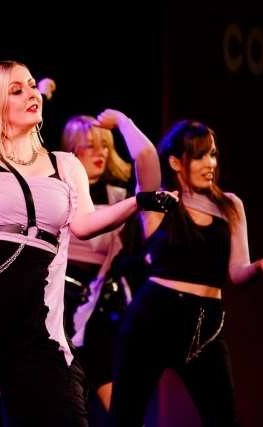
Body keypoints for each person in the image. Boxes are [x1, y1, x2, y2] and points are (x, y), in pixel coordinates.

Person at [0, 11, 178, 427]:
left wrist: (139, 202)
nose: (31, 93)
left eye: (32, 85)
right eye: (16, 90)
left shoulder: (66, 165)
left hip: (34, 309)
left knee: (61, 411)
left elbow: (84, 224)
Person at [108, 119, 263, 427]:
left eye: (213, 154)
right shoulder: (160, 201)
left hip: (204, 328)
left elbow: (237, 272)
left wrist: (259, 266)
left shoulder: (230, 205)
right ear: (175, 162)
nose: (211, 163)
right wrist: (122, 121)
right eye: (200, 156)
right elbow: (145, 155)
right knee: (125, 419)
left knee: (223, 420)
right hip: (152, 320)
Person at [59, 109, 160, 415]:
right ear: (72, 149)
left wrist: (148, 258)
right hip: (56, 301)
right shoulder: (57, 190)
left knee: (110, 376)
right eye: (91, 145)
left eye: (105, 145)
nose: (100, 153)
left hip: (98, 303)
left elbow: (127, 258)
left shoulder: (119, 197)